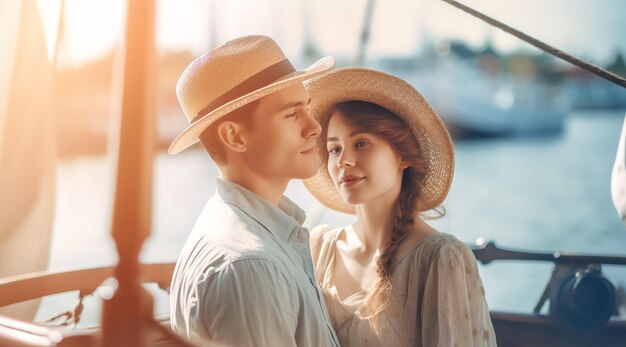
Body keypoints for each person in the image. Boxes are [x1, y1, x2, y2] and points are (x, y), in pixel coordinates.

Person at [303, 67, 497, 346]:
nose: (344, 160)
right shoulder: (318, 250)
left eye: (361, 143)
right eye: (334, 148)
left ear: (403, 156)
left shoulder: (441, 259)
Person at [168, 35, 340, 347]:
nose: (313, 126)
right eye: (291, 114)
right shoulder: (250, 268)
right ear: (234, 136)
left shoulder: (234, 229)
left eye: (307, 108)